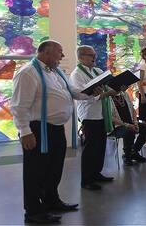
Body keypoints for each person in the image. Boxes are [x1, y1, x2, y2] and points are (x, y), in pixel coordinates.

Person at [11, 40, 81, 224]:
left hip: (56, 128)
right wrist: (25, 131)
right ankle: (33, 211)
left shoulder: (56, 72)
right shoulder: (28, 72)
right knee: (35, 171)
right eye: (60, 52)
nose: (63, 56)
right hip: (37, 129)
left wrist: (93, 92)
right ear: (47, 53)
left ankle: (51, 200)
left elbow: (73, 91)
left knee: (54, 168)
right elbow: (19, 105)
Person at [69, 45, 121, 191]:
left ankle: (96, 173)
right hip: (89, 115)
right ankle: (86, 180)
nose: (94, 58)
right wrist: (103, 95)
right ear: (80, 57)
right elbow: (82, 97)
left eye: (94, 55)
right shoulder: (77, 74)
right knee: (90, 149)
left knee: (100, 146)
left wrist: (117, 89)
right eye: (90, 55)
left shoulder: (97, 71)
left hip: (101, 114)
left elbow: (108, 87)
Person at [109, 80, 146, 166]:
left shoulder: (124, 94)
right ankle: (127, 156)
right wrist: (127, 125)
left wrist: (135, 122)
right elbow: (110, 117)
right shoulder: (108, 98)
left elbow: (132, 110)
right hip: (117, 127)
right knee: (129, 131)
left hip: (130, 123)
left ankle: (134, 151)